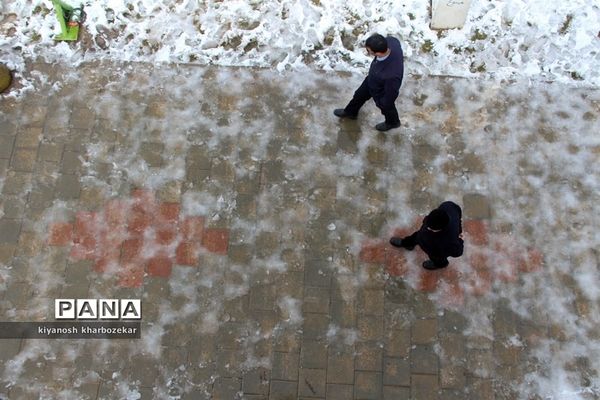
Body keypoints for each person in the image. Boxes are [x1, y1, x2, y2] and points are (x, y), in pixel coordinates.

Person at [334, 33, 404, 132]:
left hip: (380, 89)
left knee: (387, 108)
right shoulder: (392, 42)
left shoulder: (391, 75)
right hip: (372, 79)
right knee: (358, 95)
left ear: (378, 53)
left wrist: (381, 103)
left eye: (368, 50)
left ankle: (393, 122)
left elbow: (391, 94)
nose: (367, 52)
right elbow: (392, 39)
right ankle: (351, 112)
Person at [390, 201, 464, 270]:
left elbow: (458, 252)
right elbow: (458, 213)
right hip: (421, 236)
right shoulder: (448, 206)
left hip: (436, 251)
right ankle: (407, 243)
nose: (427, 227)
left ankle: (440, 264)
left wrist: (460, 241)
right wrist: (459, 230)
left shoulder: (449, 242)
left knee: (437, 258)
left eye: (430, 228)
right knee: (416, 236)